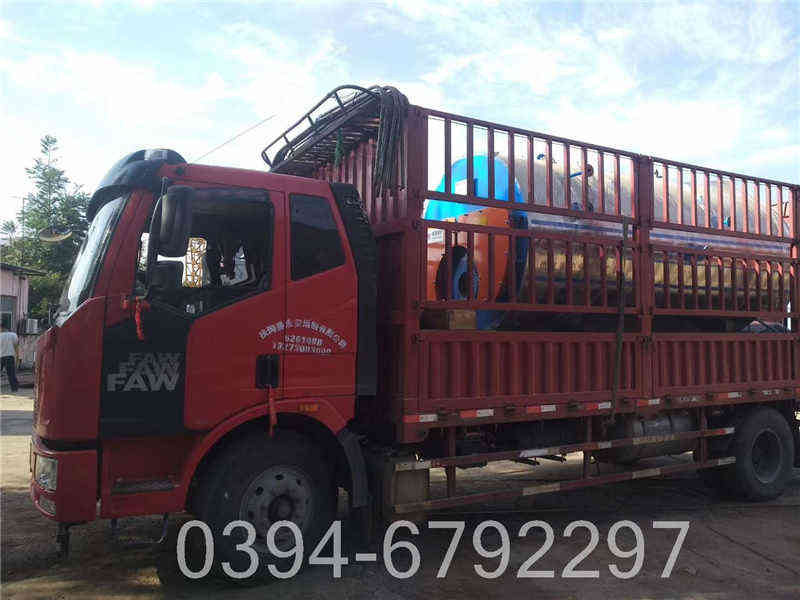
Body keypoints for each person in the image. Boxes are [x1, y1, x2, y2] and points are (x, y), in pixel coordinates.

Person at [0, 322, 20, 393]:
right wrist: (17, 357)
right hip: (10, 357)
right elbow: (16, 347)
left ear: (1, 328)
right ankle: (14, 389)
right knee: (11, 374)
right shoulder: (13, 335)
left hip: (0, 357)